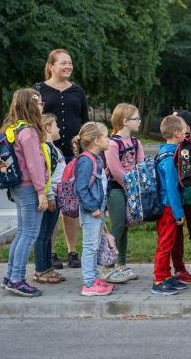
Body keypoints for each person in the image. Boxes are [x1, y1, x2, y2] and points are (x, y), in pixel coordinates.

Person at [35, 49, 89, 269]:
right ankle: (49, 250)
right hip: (48, 155)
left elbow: (85, 121)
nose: (68, 67)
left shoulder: (77, 90)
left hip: (72, 154)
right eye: (63, 63)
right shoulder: (38, 90)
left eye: (70, 63)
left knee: (70, 203)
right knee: (51, 204)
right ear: (51, 66)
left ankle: (72, 250)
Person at [2, 89, 49, 297]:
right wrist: (41, 192)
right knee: (29, 234)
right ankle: (17, 279)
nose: (42, 106)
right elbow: (35, 165)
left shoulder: (13, 129)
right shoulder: (28, 133)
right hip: (30, 187)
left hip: (18, 187)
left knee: (22, 232)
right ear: (30, 106)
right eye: (39, 103)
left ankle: (10, 276)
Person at [102, 103, 144, 284]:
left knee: (125, 226)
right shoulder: (113, 144)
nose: (140, 121)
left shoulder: (136, 142)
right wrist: (129, 185)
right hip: (117, 189)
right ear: (125, 121)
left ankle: (121, 263)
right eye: (136, 119)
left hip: (131, 188)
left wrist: (138, 183)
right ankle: (107, 267)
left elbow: (140, 164)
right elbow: (115, 170)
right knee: (117, 225)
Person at [151, 115, 191, 296]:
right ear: (177, 133)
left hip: (167, 206)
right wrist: (178, 212)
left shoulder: (165, 151)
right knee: (165, 243)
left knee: (170, 241)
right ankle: (159, 279)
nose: (186, 133)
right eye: (184, 130)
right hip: (168, 207)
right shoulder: (169, 158)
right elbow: (172, 189)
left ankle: (166, 275)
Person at [72, 122, 113, 297]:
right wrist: (92, 207)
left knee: (95, 245)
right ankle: (89, 284)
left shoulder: (96, 158)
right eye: (106, 136)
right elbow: (80, 187)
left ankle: (94, 278)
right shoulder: (85, 160)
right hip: (92, 210)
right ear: (97, 140)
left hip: (98, 209)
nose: (109, 139)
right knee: (90, 246)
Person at [32, 114, 66, 285]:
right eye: (56, 125)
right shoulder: (46, 148)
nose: (59, 128)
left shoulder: (53, 148)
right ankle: (40, 269)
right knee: (43, 234)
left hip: (57, 194)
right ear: (47, 128)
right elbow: (47, 176)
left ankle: (47, 267)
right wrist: (50, 196)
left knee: (47, 233)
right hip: (50, 196)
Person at [171, 109, 191, 285]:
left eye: (177, 121)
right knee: (176, 235)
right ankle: (179, 269)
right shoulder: (170, 146)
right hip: (176, 198)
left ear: (187, 127)